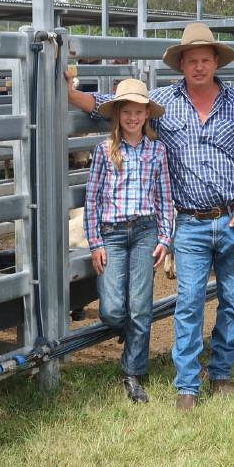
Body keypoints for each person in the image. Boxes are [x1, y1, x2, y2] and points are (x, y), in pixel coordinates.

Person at [68, 22, 234, 411]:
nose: (198, 67)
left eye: (204, 60)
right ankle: (188, 384)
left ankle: (222, 371)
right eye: (190, 60)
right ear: (181, 64)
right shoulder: (161, 102)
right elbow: (111, 105)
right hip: (191, 221)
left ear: (215, 62)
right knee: (189, 301)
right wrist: (68, 93)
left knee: (232, 300)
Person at [84, 79, 174, 404]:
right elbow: (92, 199)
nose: (133, 118)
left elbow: (164, 197)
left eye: (139, 112)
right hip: (112, 233)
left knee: (140, 306)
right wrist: (95, 242)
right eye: (128, 112)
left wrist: (165, 236)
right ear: (118, 114)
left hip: (146, 231)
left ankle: (133, 373)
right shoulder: (105, 150)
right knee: (111, 309)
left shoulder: (157, 150)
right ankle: (126, 332)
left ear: (147, 114)